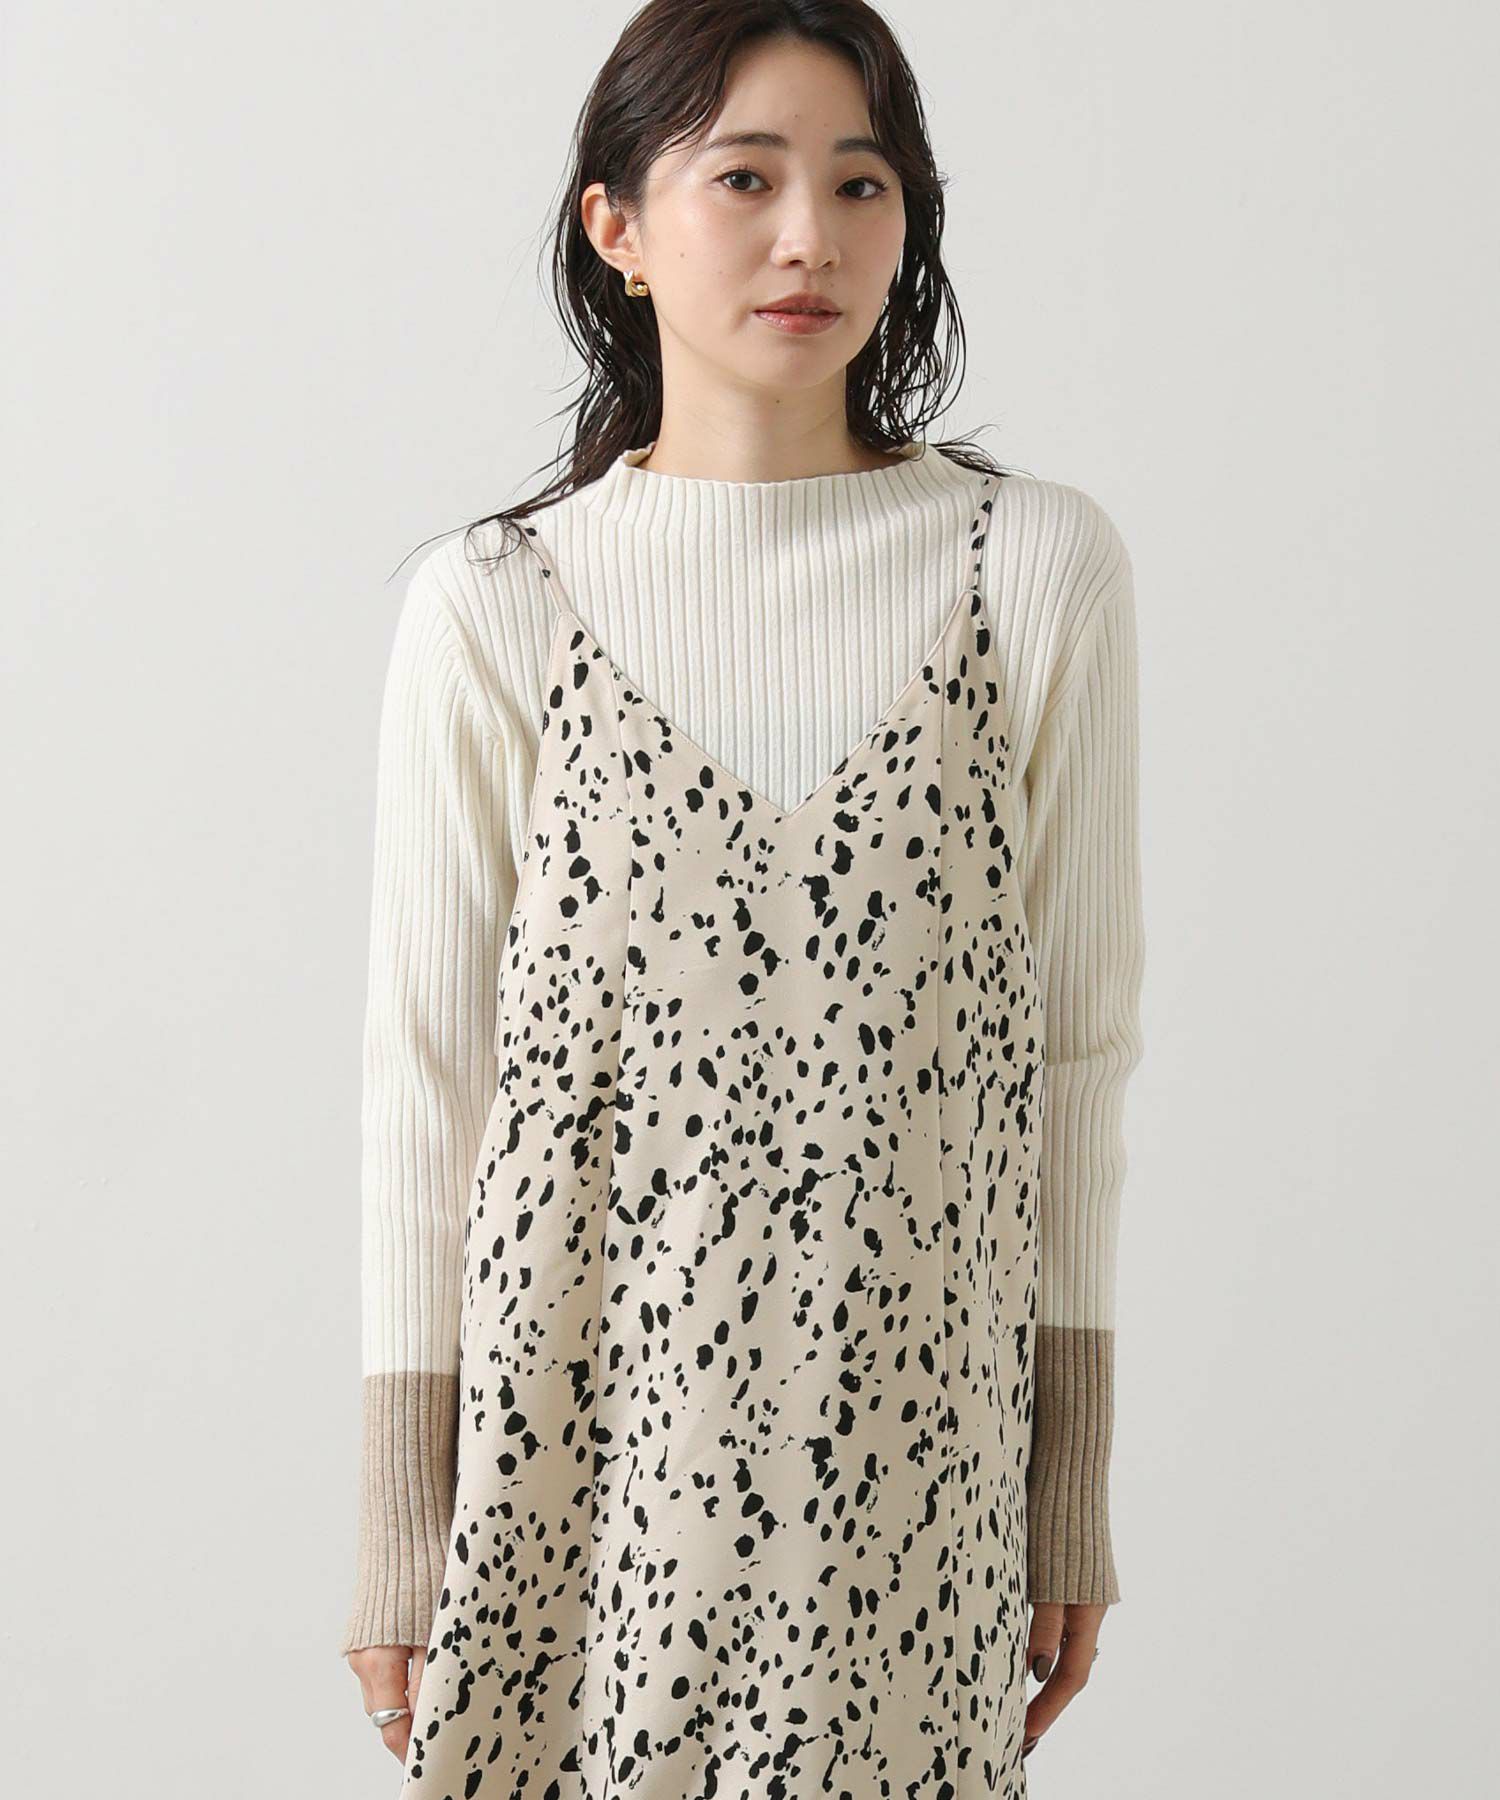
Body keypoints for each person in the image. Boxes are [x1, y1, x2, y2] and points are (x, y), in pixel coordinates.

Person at [342, 3, 1145, 1794]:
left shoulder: (1031, 571)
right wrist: (403, 1519)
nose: (811, 238)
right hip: (570, 1477)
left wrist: (1068, 1481)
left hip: (920, 1483)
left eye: (862, 184)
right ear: (614, 226)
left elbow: (1081, 1053)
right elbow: (426, 1080)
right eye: (746, 178)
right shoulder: (498, 603)